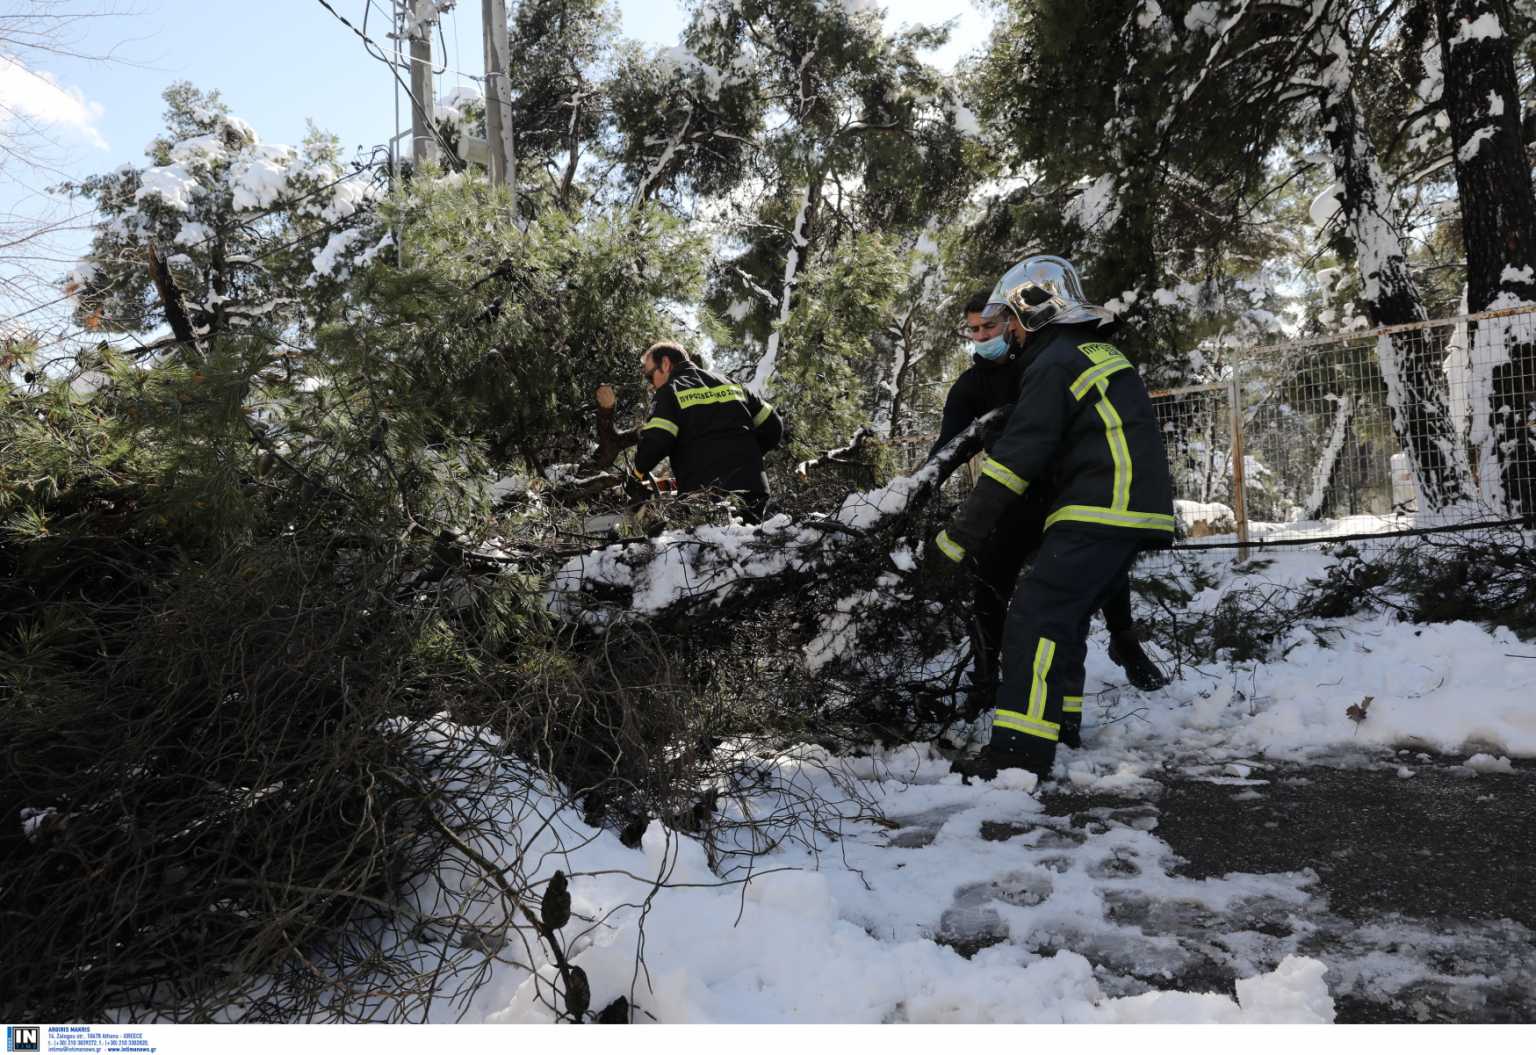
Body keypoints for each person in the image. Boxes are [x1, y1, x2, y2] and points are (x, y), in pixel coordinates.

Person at [924, 256, 1175, 782]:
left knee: (1034, 616)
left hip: (1100, 504)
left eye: (1008, 321)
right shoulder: (1089, 350)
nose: (1005, 333)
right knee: (1065, 619)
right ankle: (1060, 726)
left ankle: (1017, 755)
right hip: (1124, 504)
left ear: (1033, 311)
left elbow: (1018, 458)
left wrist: (957, 538)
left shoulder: (1054, 361)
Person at [631, 341, 784, 520]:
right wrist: (746, 456)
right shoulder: (730, 383)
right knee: (752, 544)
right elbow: (773, 426)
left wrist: (637, 473)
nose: (651, 386)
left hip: (706, 495)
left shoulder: (670, 391)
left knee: (711, 546)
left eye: (650, 376)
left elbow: (657, 440)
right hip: (754, 489)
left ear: (665, 364)